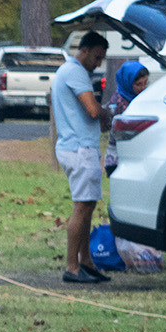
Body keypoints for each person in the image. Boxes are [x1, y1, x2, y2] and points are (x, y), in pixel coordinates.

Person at [51, 30, 111, 283]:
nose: (98, 63)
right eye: (96, 57)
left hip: (76, 146)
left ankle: (86, 261)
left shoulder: (69, 72)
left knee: (88, 205)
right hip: (79, 149)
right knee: (82, 207)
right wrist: (106, 112)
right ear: (83, 50)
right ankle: (72, 267)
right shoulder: (74, 72)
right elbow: (92, 110)